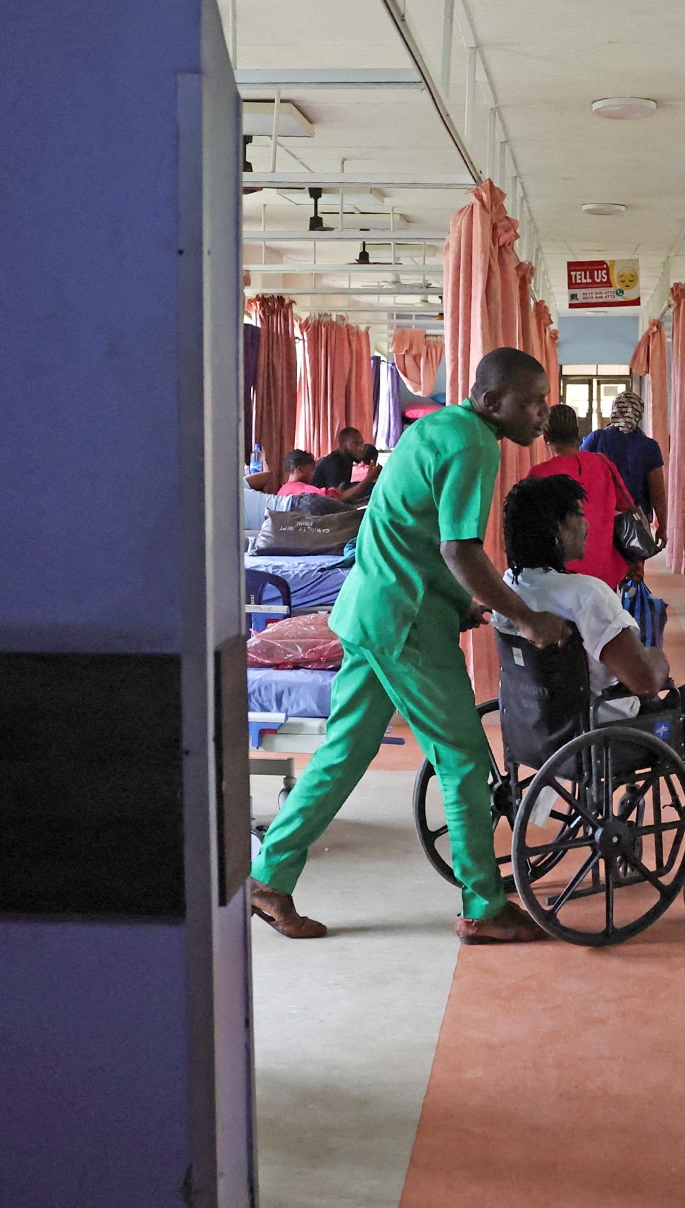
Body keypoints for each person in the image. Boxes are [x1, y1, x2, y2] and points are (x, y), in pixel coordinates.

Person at [247, 348, 569, 945]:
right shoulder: (474, 445)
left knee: (343, 753)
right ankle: (484, 905)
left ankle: (268, 876)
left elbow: (411, 529)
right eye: (531, 402)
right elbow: (459, 549)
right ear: (492, 401)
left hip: (371, 610)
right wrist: (525, 617)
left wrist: (461, 601)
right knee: (463, 758)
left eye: (545, 401)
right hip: (405, 624)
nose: (541, 413)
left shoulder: (441, 428)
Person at [499, 474, 685, 860]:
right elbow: (646, 682)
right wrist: (658, 657)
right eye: (578, 516)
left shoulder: (510, 587)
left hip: (540, 730)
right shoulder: (586, 594)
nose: (587, 525)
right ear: (554, 530)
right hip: (613, 734)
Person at [526, 405, 634, 589]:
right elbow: (627, 507)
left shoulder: (539, 474)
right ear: (577, 433)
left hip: (558, 574)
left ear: (545, 436)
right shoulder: (603, 464)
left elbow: (527, 527)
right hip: (603, 570)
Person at [580, 390, 666, 536]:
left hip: (601, 517)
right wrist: (662, 528)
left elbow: (578, 465)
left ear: (614, 410)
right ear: (638, 415)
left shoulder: (597, 438)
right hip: (637, 521)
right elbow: (658, 494)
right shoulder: (650, 447)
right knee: (635, 551)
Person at [310, 426, 381, 503]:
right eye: (355, 444)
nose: (361, 448)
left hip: (333, 499)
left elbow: (343, 488)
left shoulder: (347, 460)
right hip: (320, 503)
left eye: (361, 444)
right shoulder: (334, 463)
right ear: (343, 445)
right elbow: (336, 498)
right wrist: (369, 478)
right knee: (373, 489)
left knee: (374, 487)